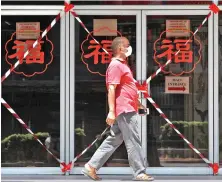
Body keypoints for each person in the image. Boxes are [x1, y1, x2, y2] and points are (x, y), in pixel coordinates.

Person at [81, 37, 154, 181]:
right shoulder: (115, 65)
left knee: (114, 139)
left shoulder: (122, 65)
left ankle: (91, 166)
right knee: (133, 140)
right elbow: (112, 89)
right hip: (124, 110)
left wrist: (138, 104)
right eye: (127, 46)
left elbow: (126, 88)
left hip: (127, 106)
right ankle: (139, 172)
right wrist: (112, 111)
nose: (129, 48)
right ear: (120, 48)